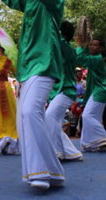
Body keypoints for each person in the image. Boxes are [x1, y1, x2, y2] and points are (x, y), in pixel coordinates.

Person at [0, 0, 65, 190]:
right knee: (24, 119)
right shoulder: (29, 2)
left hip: (45, 64)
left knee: (29, 112)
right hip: (27, 69)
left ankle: (40, 172)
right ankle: (55, 173)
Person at [45, 21, 83, 161]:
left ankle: (57, 152)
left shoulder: (62, 46)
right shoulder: (69, 48)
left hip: (65, 91)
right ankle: (71, 152)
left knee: (50, 117)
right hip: (61, 91)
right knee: (52, 121)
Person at [77, 37, 106, 152]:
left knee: (87, 116)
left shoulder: (97, 59)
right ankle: (89, 143)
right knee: (95, 117)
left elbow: (80, 59)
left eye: (95, 45)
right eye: (91, 44)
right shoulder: (97, 59)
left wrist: (80, 46)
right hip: (99, 90)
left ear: (101, 48)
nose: (91, 47)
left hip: (101, 91)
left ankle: (102, 137)